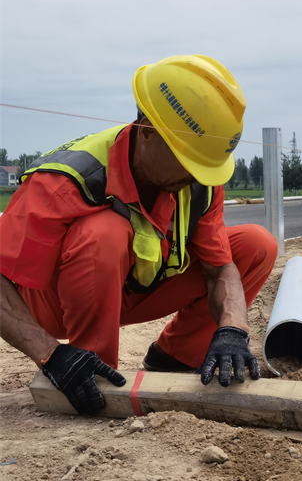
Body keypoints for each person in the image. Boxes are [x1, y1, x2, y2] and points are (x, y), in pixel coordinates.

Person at [0, 55, 278, 415]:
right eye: (190, 161)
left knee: (256, 245)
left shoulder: (198, 182)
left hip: (135, 289)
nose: (198, 176)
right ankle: (91, 371)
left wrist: (233, 329)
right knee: (103, 233)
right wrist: (49, 352)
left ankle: (174, 357)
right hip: (54, 304)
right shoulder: (64, 181)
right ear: (147, 132)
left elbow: (219, 270)